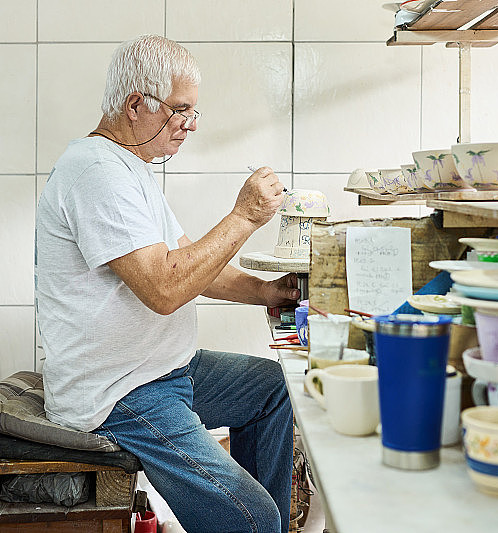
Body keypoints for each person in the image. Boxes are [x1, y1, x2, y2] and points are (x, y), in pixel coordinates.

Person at [34, 34, 297, 533]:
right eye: (182, 111)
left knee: (272, 390)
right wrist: (244, 216)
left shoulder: (128, 168)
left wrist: (267, 291)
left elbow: (188, 262)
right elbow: (165, 288)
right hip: (122, 390)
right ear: (137, 104)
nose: (190, 126)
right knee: (253, 519)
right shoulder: (95, 172)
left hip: (165, 369)